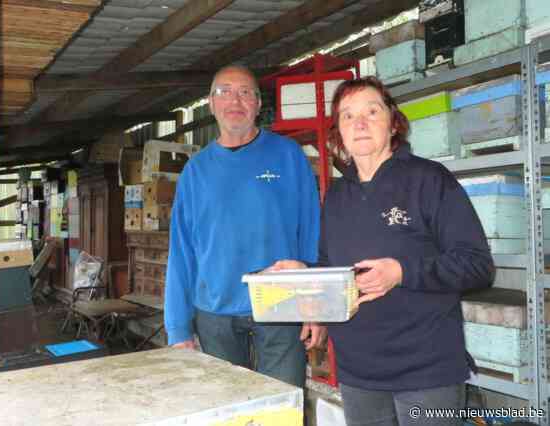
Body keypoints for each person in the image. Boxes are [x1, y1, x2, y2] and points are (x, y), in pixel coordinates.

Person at [271, 76, 495, 424]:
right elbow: (335, 268)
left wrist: (402, 272)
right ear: (339, 133)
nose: (359, 123)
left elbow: (478, 265)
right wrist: (306, 277)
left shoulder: (430, 180)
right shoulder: (337, 196)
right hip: (358, 373)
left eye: (371, 112)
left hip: (426, 372)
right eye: (347, 115)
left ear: (393, 123)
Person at [163, 65, 325, 388]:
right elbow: (181, 252)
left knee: (282, 408)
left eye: (245, 92)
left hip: (281, 304)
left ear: (258, 103)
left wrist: (315, 305)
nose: (234, 101)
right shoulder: (195, 171)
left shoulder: (288, 156)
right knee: (228, 410)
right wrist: (178, 328)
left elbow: (312, 234)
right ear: (210, 103)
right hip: (214, 311)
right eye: (224, 91)